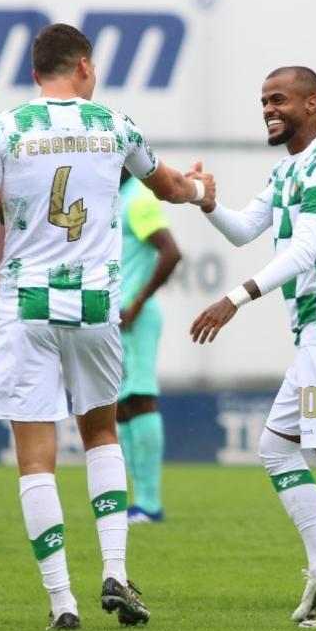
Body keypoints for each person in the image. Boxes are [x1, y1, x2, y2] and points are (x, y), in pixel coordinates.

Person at [0, 23, 215, 631]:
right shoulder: (115, 125)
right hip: (95, 305)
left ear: (35, 73)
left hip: (29, 307)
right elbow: (171, 187)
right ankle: (116, 572)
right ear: (85, 66)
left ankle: (62, 602)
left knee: (35, 459)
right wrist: (203, 189)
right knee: (101, 436)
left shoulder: (5, 127)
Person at [189, 66, 316, 629]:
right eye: (264, 102)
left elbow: (302, 252)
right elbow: (245, 228)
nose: (269, 110)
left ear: (312, 103)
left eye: (280, 100)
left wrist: (234, 299)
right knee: (275, 449)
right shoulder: (289, 168)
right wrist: (207, 204)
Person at [116, 170, 182, 524]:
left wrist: (138, 303)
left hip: (134, 316)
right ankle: (139, 501)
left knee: (140, 398)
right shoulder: (112, 196)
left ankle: (150, 504)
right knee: (120, 407)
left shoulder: (139, 199)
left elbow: (171, 252)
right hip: (117, 316)